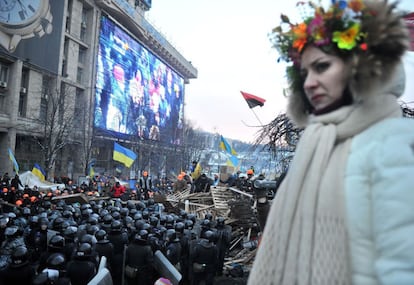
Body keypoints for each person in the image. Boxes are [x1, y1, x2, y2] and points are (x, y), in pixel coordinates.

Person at [248, 1, 414, 285]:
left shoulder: (391, 146)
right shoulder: (314, 147)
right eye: (305, 73)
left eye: (322, 67)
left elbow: (400, 267)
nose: (310, 83)